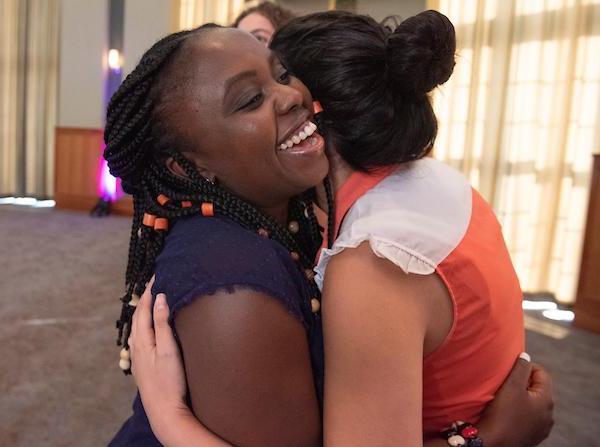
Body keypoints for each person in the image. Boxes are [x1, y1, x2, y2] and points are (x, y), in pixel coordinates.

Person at [126, 10, 554, 447]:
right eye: (250, 98)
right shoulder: (429, 189)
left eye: (284, 75)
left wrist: (172, 419)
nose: (290, 97)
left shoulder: (359, 247)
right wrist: (491, 438)